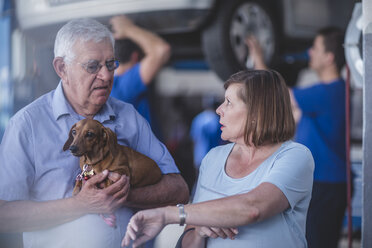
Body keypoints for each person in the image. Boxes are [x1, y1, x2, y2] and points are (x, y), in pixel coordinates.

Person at [0, 18, 189, 248]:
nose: (107, 76)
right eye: (93, 66)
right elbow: (4, 215)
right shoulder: (27, 125)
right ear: (62, 68)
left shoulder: (129, 117)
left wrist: (121, 195)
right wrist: (81, 204)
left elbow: (178, 189)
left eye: (110, 64)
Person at [121, 70, 315, 248]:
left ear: (257, 112)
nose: (219, 110)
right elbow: (188, 241)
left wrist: (167, 214)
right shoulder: (213, 158)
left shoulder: (295, 156)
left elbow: (253, 207)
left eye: (229, 103)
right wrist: (198, 231)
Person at [246, 27, 347, 248]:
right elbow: (292, 111)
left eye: (316, 48)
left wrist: (259, 58)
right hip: (325, 182)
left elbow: (278, 94)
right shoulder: (330, 93)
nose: (310, 52)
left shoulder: (329, 91)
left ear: (329, 58)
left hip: (324, 182)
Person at [109, 15, 171, 129]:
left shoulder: (110, 85)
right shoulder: (125, 85)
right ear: (136, 56)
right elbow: (161, 50)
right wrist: (128, 29)